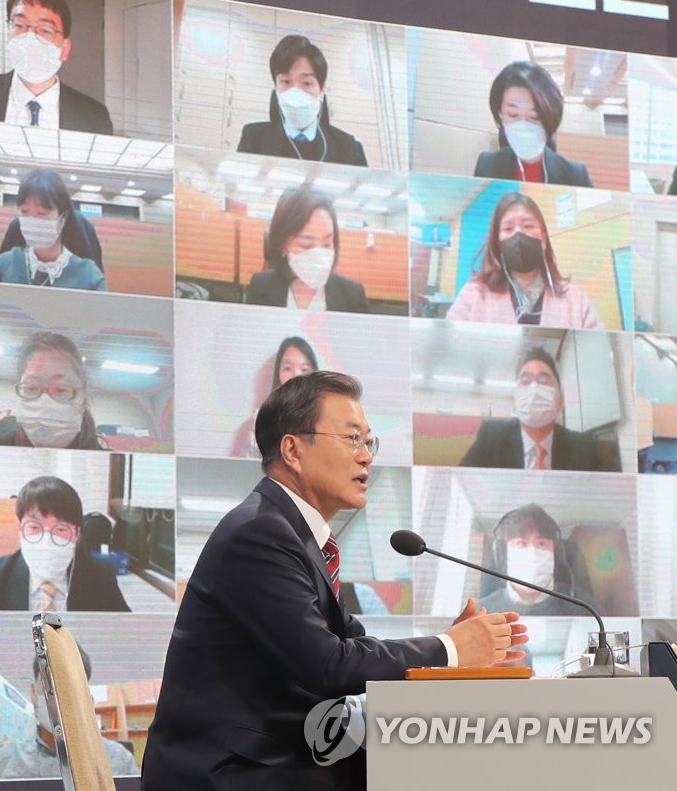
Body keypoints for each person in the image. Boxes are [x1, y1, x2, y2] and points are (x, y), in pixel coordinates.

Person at [142, 372, 527, 789]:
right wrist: (449, 649)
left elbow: (353, 650)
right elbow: (327, 665)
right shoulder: (259, 533)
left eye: (369, 442)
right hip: (230, 774)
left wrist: (446, 649)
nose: (366, 457)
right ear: (293, 449)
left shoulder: (297, 536)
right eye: (351, 439)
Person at [0, 0, 113, 134]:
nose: (30, 38)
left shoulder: (94, 117)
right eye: (19, 25)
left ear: (65, 48)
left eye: (46, 30)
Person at [446, 191, 603, 328]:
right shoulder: (475, 293)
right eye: (508, 228)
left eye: (528, 225)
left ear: (544, 239)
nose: (518, 234)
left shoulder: (575, 299)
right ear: (497, 242)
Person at [0, 476, 129, 611]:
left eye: (60, 528)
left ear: (77, 534)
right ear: (20, 529)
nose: (46, 538)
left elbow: (124, 632)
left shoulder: (100, 575)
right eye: (34, 526)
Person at [461, 346, 619, 470]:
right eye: (525, 381)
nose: (534, 389)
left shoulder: (584, 447)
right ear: (516, 398)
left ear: (560, 400)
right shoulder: (491, 437)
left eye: (543, 381)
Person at [0, 644, 140, 779]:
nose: (58, 697)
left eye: (70, 687)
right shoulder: (3, 764)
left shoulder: (118, 762)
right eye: (49, 685)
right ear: (33, 692)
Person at [236, 34, 368, 165]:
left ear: (322, 90)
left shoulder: (348, 148)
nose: (295, 93)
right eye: (286, 81)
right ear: (276, 89)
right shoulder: (253, 139)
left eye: (306, 83)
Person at [246, 185, 369, 312]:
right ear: (283, 245)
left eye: (327, 244)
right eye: (306, 246)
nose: (320, 256)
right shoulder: (261, 286)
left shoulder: (352, 294)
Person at [0, 169, 106, 290]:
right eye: (24, 212)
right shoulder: (6, 262)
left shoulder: (89, 274)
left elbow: (104, 312)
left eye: (41, 213)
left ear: (63, 217)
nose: (32, 221)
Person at [474, 61, 592, 187]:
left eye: (534, 116)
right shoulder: (486, 164)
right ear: (500, 114)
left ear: (550, 117)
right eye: (513, 114)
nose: (523, 125)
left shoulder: (576, 175)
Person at [0, 332, 104, 449]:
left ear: (82, 398)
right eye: (32, 388)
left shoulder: (108, 465)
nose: (44, 402)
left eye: (60, 389)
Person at [478, 504, 594, 616]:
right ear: (503, 553)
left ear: (555, 552)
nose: (532, 553)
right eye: (521, 543)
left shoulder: (583, 608)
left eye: (542, 544)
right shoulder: (481, 614)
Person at [233, 336, 320, 457]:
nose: (296, 375)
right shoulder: (264, 417)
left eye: (304, 369)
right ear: (278, 374)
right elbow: (249, 465)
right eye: (287, 368)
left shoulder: (325, 416)